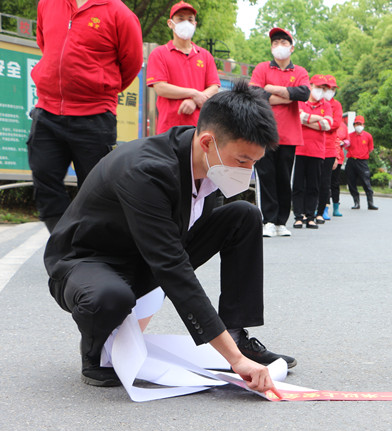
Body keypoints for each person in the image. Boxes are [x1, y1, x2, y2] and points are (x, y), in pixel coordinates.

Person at [44, 82, 296, 390]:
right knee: (110, 298)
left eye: (255, 162)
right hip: (89, 263)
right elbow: (172, 267)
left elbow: (172, 252)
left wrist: (231, 349)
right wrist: (234, 361)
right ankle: (96, 353)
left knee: (243, 215)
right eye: (242, 161)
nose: (247, 171)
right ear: (207, 142)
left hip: (145, 254)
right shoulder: (145, 171)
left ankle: (236, 333)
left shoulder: (209, 166)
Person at [27, 0, 143, 232]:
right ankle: (64, 248)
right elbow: (46, 45)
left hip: (95, 116)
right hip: (48, 111)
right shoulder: (48, 4)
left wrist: (100, 87)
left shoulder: (119, 13)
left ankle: (91, 256)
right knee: (44, 182)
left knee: (97, 195)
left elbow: (131, 64)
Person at [250, 27, 311, 238]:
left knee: (284, 178)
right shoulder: (261, 68)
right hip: (264, 133)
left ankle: (281, 221)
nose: (279, 46)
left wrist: (272, 89)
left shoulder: (300, 72)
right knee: (266, 176)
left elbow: (303, 93)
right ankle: (268, 220)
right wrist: (286, 96)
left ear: (292, 48)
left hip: (289, 135)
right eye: (275, 43)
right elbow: (254, 92)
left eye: (283, 43)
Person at [146, 1, 220, 134]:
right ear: (170, 23)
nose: (186, 23)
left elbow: (214, 87)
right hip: (169, 129)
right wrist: (193, 93)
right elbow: (161, 88)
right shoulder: (159, 54)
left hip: (200, 128)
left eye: (190, 19)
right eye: (180, 18)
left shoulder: (205, 56)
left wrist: (194, 100)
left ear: (195, 24)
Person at [292, 75, 332, 229]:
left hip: (317, 151)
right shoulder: (301, 102)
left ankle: (310, 216)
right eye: (319, 87)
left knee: (313, 186)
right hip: (299, 149)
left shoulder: (326, 105)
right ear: (311, 85)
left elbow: (327, 125)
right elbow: (298, 118)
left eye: (324, 88)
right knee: (298, 185)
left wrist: (307, 120)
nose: (321, 91)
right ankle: (298, 216)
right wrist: (317, 119)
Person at [316, 74, 344, 222]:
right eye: (328, 88)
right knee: (312, 179)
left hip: (328, 147)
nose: (330, 91)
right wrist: (324, 123)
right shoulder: (314, 102)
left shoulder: (336, 105)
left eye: (333, 89)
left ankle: (324, 207)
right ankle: (311, 207)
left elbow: (335, 124)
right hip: (313, 146)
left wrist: (315, 124)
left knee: (326, 181)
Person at [346, 115, 378, 210]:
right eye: (356, 124)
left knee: (366, 182)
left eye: (360, 124)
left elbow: (370, 149)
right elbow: (346, 147)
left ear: (363, 125)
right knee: (351, 182)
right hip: (351, 161)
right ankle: (356, 202)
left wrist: (362, 154)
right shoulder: (350, 136)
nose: (358, 125)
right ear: (354, 125)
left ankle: (370, 203)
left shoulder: (368, 136)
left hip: (362, 162)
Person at [332, 113, 350, 217]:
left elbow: (348, 141)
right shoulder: (328, 121)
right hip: (326, 156)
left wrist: (343, 142)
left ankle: (336, 207)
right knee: (324, 183)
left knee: (335, 183)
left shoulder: (343, 126)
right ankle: (323, 207)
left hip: (339, 158)